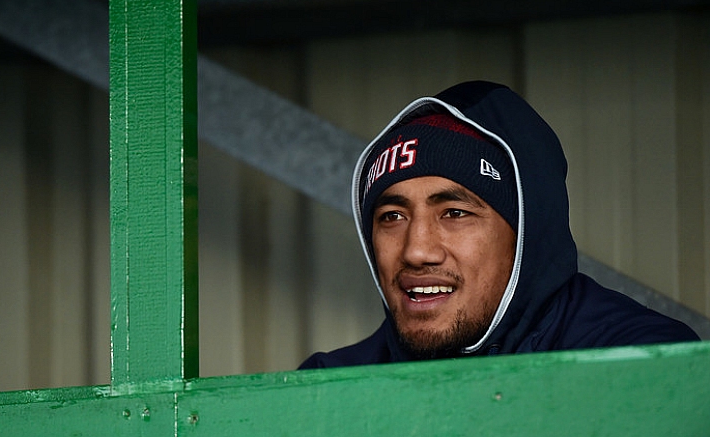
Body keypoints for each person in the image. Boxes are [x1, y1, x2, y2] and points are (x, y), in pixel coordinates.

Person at [299, 81, 699, 369]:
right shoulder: (329, 386)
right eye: (392, 216)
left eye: (455, 213)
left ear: (526, 234)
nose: (416, 250)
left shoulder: (644, 363)